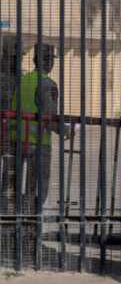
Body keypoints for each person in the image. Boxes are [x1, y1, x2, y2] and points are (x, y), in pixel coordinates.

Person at [4, 44, 59, 257]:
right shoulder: (48, 84)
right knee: (38, 190)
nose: (51, 62)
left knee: (19, 190)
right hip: (39, 144)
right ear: (46, 61)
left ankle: (17, 232)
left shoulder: (23, 81)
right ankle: (29, 233)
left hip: (18, 142)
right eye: (50, 59)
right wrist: (65, 131)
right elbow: (50, 118)